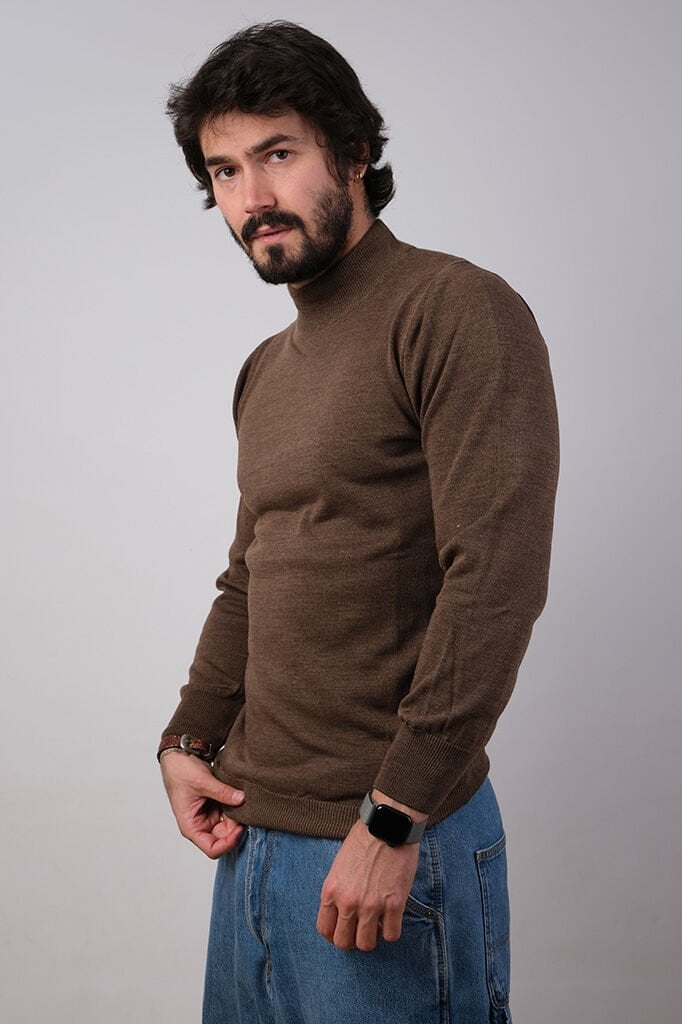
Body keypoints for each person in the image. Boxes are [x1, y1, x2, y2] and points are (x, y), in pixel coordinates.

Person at [158, 21, 559, 1024]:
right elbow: (251, 574)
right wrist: (189, 736)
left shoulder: (455, 311)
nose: (252, 197)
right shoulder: (265, 369)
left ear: (353, 151)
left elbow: (494, 580)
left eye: (277, 155)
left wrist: (393, 817)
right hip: (253, 842)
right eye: (225, 171)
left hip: (384, 850)